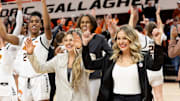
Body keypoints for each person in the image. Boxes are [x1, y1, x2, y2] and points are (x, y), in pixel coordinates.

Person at [81, 24, 164, 101]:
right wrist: (85, 45)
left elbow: (156, 66)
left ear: (131, 39)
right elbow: (89, 65)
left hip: (137, 98)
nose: (121, 42)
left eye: (125, 38)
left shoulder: (142, 57)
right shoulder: (110, 58)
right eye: (118, 38)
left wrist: (157, 43)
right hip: (115, 98)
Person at [0, 0, 52, 100]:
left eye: (37, 21)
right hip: (23, 79)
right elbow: (4, 36)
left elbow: (48, 27)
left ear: (40, 25)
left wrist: (44, 3)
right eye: (31, 21)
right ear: (28, 25)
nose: (34, 23)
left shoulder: (44, 39)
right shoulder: (22, 40)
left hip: (39, 78)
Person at [24, 31, 90, 101]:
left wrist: (81, 49)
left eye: (71, 40)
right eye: (66, 40)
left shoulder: (86, 58)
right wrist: (31, 53)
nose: (68, 43)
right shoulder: (58, 58)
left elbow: (90, 68)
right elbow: (40, 68)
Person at [76, 14, 113, 101]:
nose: (84, 24)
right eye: (82, 22)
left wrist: (101, 63)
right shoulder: (75, 38)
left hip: (94, 76)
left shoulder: (99, 38)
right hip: (78, 77)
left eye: (87, 22)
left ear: (92, 24)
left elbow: (111, 54)